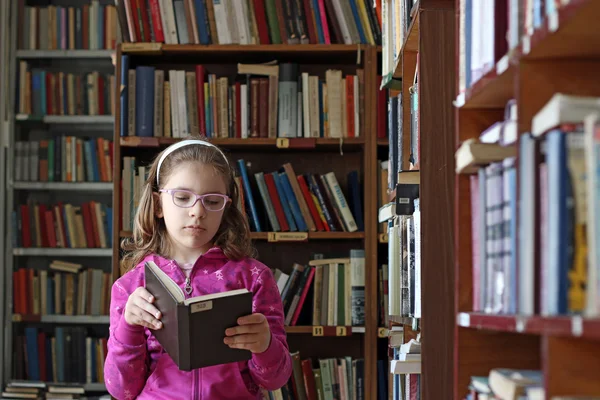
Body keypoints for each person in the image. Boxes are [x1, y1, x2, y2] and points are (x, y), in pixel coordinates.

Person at [104, 138, 292, 399]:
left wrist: (265, 345)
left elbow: (276, 379)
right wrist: (129, 325)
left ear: (225, 209)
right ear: (158, 205)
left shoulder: (255, 277)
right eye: (182, 197)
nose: (197, 211)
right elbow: (120, 389)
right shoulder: (130, 286)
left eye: (212, 201)